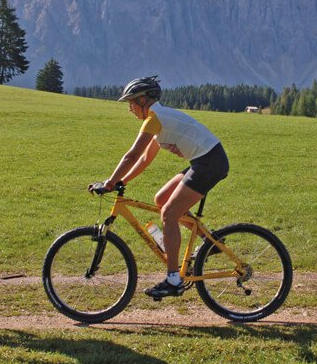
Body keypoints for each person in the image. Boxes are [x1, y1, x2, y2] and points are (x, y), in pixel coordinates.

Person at [89, 76, 229, 299]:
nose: (130, 109)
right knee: (162, 199)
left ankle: (173, 280)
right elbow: (144, 159)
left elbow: (131, 155)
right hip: (204, 161)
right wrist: (122, 182)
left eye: (131, 103)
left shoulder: (154, 119)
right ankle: (210, 242)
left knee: (169, 214)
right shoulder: (158, 119)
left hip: (210, 163)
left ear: (143, 100)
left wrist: (109, 182)